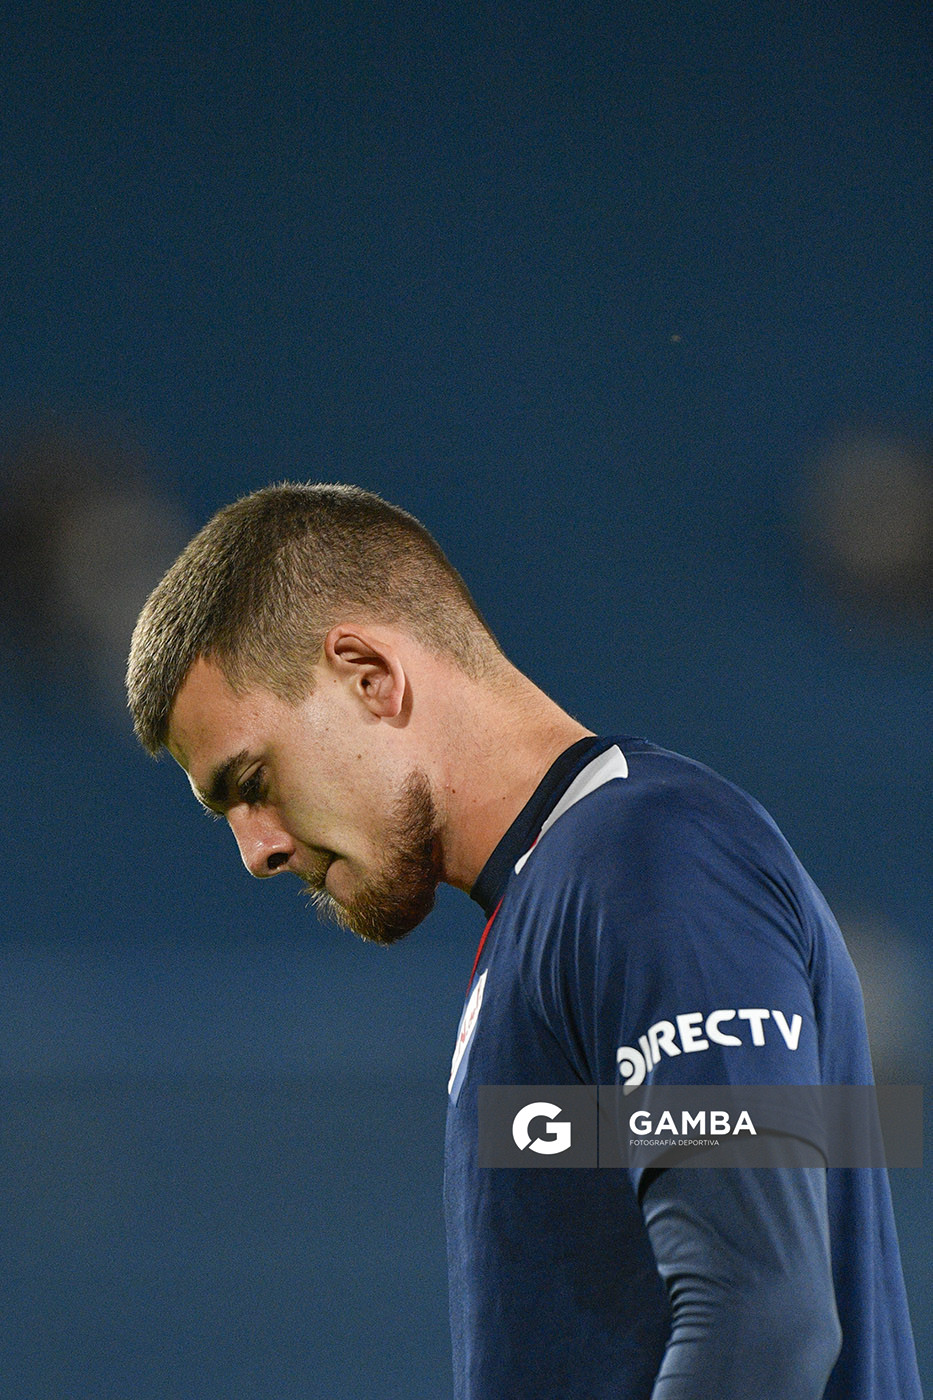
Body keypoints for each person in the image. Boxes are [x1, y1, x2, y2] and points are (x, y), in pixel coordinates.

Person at [126, 481, 921, 1400]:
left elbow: (764, 1321)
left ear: (369, 677)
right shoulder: (554, 906)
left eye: (253, 779)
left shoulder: (649, 858)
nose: (255, 850)